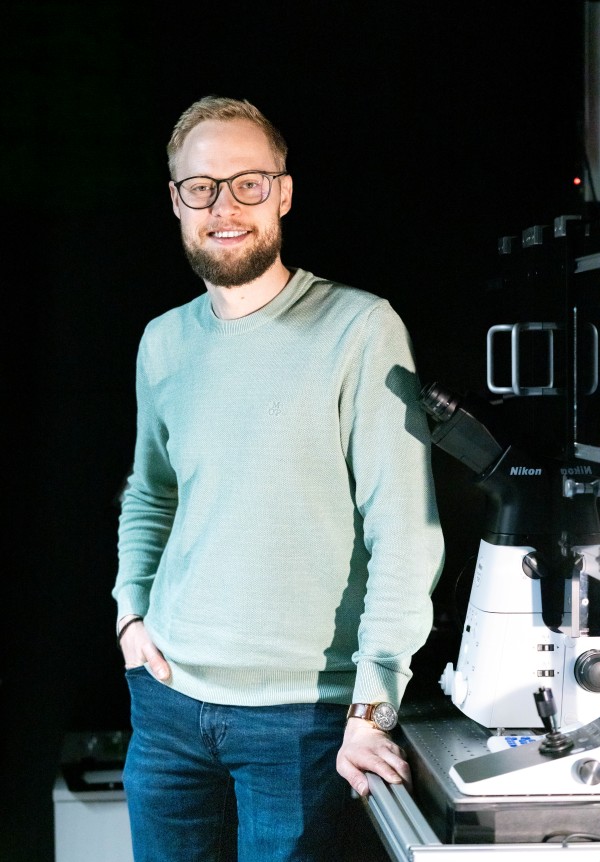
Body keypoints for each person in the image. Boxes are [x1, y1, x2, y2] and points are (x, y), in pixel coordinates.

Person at [112, 94, 445, 862]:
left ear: (284, 192)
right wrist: (132, 614)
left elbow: (403, 528)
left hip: (304, 721)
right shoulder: (163, 342)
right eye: (202, 186)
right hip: (166, 706)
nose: (224, 205)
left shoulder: (362, 327)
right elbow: (150, 492)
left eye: (248, 183)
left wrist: (375, 703)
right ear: (175, 201)